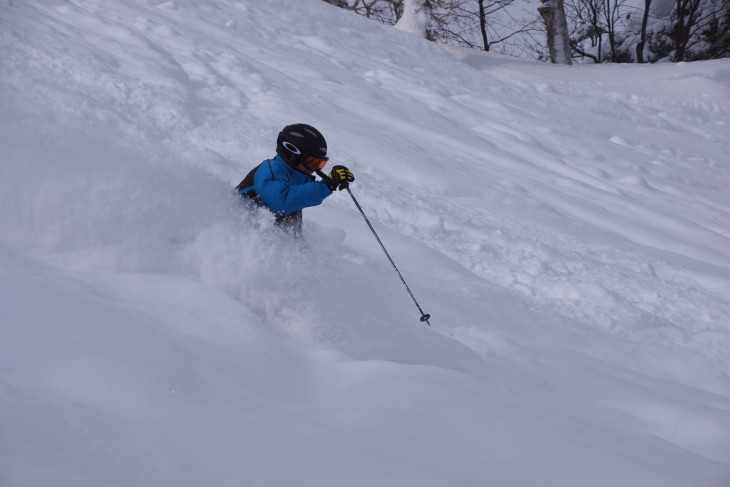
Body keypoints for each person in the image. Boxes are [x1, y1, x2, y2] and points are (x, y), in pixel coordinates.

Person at [236, 123, 354, 234]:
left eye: (320, 164)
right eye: (312, 162)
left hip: (265, 245)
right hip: (240, 235)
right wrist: (327, 185)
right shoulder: (269, 170)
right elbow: (281, 201)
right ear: (292, 154)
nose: (315, 169)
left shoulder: (297, 181)